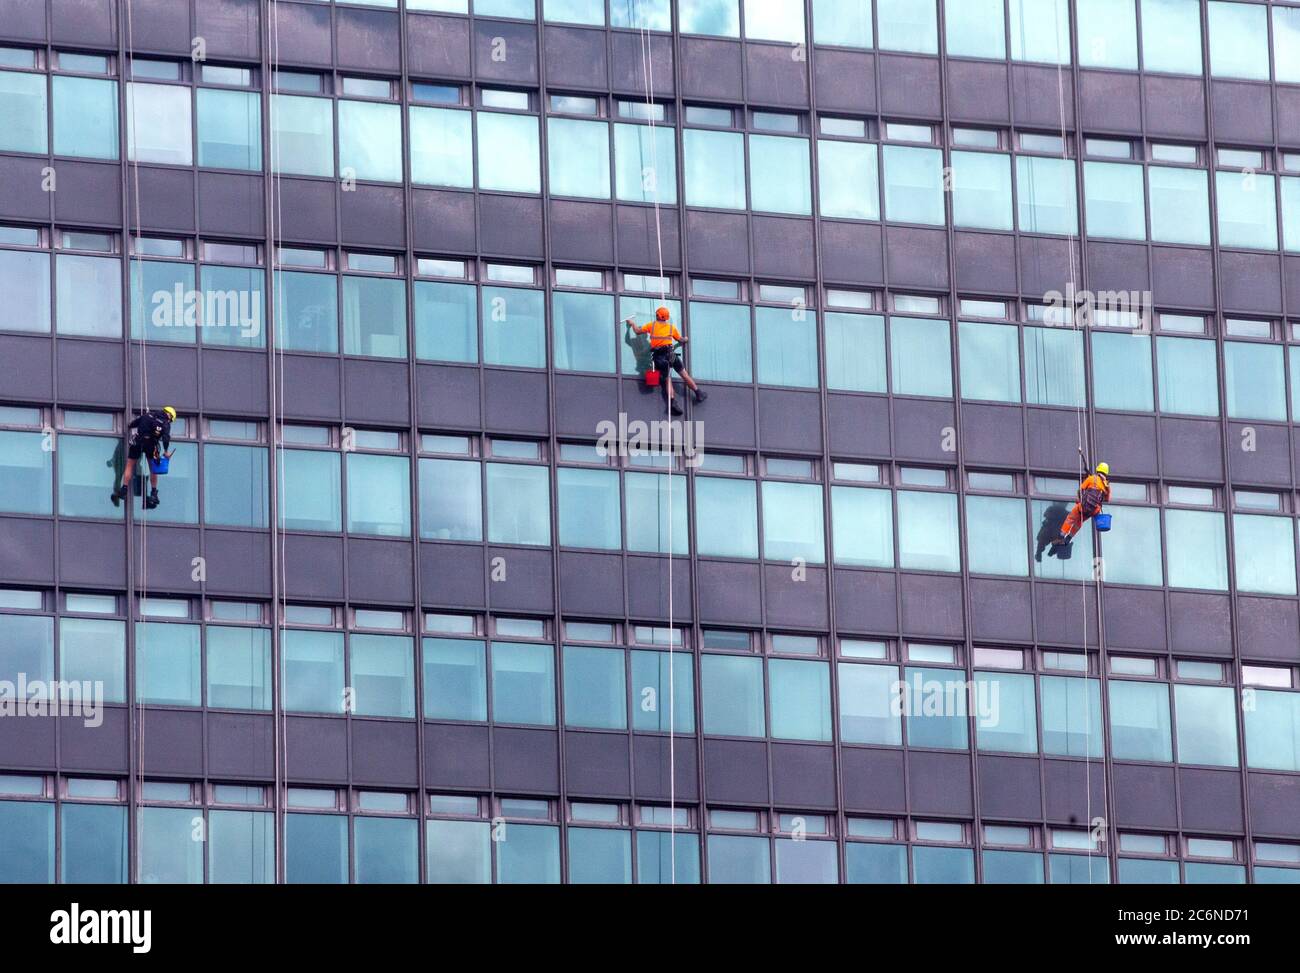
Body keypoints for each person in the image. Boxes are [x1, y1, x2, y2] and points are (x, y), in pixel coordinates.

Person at [623, 307, 707, 416]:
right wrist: (686, 339)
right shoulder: (671, 328)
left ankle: (672, 404)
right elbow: (680, 339)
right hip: (670, 354)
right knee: (684, 374)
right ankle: (698, 393)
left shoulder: (651, 325)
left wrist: (632, 324)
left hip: (660, 358)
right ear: (666, 317)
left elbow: (637, 331)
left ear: (657, 315)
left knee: (668, 380)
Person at [110, 406, 177, 510]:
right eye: (171, 419)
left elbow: (132, 424)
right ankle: (154, 493)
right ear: (169, 415)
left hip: (138, 442)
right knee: (153, 469)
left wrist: (133, 425)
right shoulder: (165, 423)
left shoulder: (147, 416)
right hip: (151, 445)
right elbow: (166, 438)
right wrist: (166, 451)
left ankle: (124, 490)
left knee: (130, 465)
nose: (169, 421)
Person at [1053, 462, 1111, 547]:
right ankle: (1068, 539)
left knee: (1071, 518)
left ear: (1098, 469)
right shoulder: (1107, 485)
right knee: (1079, 522)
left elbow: (1080, 490)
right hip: (1093, 510)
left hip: (1083, 507)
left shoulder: (1091, 478)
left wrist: (1080, 500)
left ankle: (1061, 536)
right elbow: (1107, 499)